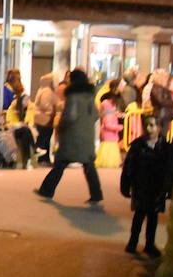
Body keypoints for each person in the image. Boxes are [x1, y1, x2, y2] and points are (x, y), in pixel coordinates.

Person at [35, 68, 104, 204]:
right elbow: (96, 115)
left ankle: (46, 190)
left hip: (73, 136)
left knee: (60, 163)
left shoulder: (73, 96)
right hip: (87, 135)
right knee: (88, 165)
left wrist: (61, 127)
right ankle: (96, 194)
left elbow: (70, 117)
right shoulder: (90, 96)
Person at [121, 114, 173, 257]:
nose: (149, 129)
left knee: (153, 217)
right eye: (146, 125)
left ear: (159, 128)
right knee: (139, 215)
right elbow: (129, 167)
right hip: (141, 186)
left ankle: (149, 245)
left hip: (157, 188)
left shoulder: (165, 147)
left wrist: (168, 187)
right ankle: (133, 242)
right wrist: (126, 185)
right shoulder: (137, 145)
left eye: (152, 125)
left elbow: (170, 168)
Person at [5, 70, 36, 170]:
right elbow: (10, 122)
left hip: (24, 130)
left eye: (28, 99)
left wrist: (26, 124)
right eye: (25, 100)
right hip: (14, 129)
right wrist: (21, 124)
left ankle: (27, 158)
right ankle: (33, 151)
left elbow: (30, 121)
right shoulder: (13, 108)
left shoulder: (30, 108)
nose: (28, 102)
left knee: (26, 132)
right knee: (25, 131)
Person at [32, 72, 59, 166]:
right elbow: (45, 104)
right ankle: (42, 159)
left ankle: (44, 158)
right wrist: (51, 110)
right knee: (44, 139)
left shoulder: (43, 90)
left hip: (44, 119)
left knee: (44, 139)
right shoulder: (47, 91)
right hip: (44, 119)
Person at [95, 91, 123, 169]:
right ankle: (107, 162)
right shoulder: (109, 114)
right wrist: (118, 127)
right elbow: (108, 125)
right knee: (108, 149)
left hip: (110, 134)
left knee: (108, 149)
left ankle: (107, 162)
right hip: (109, 134)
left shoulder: (108, 113)